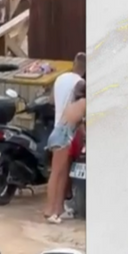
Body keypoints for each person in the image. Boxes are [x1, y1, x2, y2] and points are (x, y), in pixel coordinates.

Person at [43, 81, 86, 224]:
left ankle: (56, 211)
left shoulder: (75, 104)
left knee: (59, 174)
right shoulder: (85, 103)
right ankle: (49, 211)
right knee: (56, 173)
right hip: (62, 138)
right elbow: (84, 127)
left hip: (58, 135)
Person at [52, 52, 86, 126]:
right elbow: (80, 112)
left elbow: (52, 101)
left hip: (57, 127)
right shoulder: (80, 83)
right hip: (70, 131)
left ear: (73, 64)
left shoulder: (60, 78)